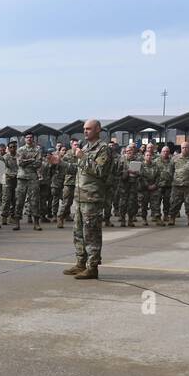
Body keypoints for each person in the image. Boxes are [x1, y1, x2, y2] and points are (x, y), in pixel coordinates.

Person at [65, 119, 112, 280]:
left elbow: (100, 171)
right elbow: (79, 169)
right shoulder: (85, 148)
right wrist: (60, 164)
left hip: (92, 198)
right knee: (78, 233)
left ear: (98, 129)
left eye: (89, 129)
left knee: (91, 233)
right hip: (80, 197)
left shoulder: (103, 149)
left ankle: (92, 268)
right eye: (84, 129)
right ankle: (80, 263)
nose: (85, 131)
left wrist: (82, 157)